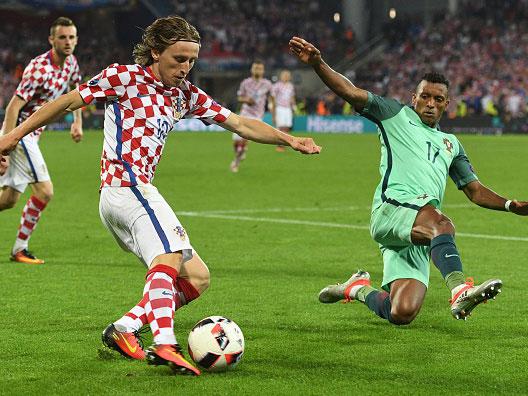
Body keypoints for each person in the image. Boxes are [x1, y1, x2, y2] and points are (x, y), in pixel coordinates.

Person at [0, 17, 320, 375]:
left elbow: (241, 123)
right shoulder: (124, 77)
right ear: (155, 51)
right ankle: (165, 344)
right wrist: (11, 137)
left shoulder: (185, 95)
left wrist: (289, 139)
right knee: (168, 256)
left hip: (135, 192)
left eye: (191, 61)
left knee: (197, 277)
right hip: (126, 187)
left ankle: (125, 328)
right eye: (178, 59)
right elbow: (65, 103)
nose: (185, 68)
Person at [289, 36, 528, 325]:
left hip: (418, 227)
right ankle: (460, 290)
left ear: (446, 105)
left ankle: (356, 289)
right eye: (424, 97)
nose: (430, 104)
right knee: (443, 224)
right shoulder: (395, 115)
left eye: (438, 99)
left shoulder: (451, 143)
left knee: (401, 312)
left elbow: (474, 191)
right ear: (414, 98)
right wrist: (318, 63)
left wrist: (509, 205)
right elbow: (350, 92)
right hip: (392, 209)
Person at [0, 17, 83, 265]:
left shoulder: (71, 64)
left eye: (71, 37)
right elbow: (14, 106)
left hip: (30, 137)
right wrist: (6, 142)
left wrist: (76, 122)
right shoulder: (39, 68)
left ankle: (19, 250)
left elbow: (75, 91)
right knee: (45, 191)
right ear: (51, 40)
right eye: (62, 37)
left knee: (8, 200)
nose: (67, 42)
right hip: (21, 135)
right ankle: (20, 249)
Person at [230, 60, 273, 172]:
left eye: (259, 68)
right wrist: (246, 100)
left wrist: (272, 108)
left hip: (257, 116)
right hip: (244, 114)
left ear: (263, 70)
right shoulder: (245, 83)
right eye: (255, 68)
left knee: (244, 139)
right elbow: (239, 97)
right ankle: (240, 151)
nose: (257, 70)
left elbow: (272, 98)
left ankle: (236, 163)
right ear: (251, 69)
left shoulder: (267, 84)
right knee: (235, 142)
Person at [271, 70, 296, 152]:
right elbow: (273, 98)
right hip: (280, 108)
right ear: (281, 76)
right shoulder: (277, 86)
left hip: (288, 108)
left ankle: (284, 144)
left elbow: (292, 97)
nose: (286, 77)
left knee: (287, 127)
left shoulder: (291, 86)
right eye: (284, 75)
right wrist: (272, 109)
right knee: (280, 127)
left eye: (287, 75)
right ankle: (279, 145)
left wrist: (294, 107)